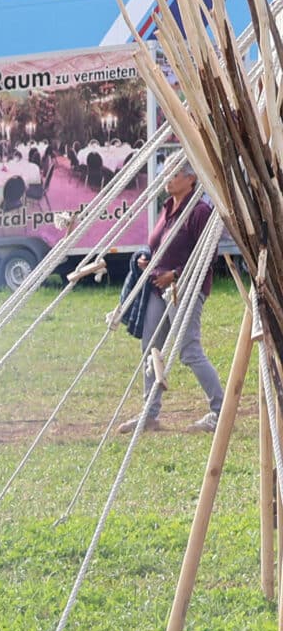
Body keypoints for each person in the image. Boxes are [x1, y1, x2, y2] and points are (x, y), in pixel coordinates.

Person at [119, 165, 224, 434]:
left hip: (184, 289)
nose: (167, 178)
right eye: (165, 173)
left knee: (189, 350)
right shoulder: (167, 207)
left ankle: (220, 411)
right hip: (158, 287)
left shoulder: (199, 212)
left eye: (174, 174)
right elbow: (158, 245)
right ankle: (149, 415)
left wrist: (175, 275)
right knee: (151, 349)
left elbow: (208, 255)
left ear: (191, 179)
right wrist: (147, 259)